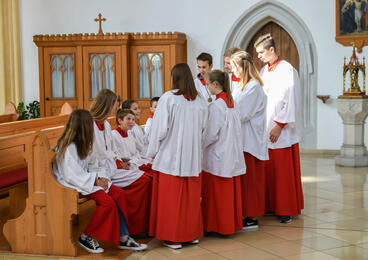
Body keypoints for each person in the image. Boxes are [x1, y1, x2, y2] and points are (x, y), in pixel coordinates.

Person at [53, 109, 147, 253]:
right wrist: (95, 181)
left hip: (88, 179)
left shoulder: (84, 143)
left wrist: (101, 178)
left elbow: (93, 164)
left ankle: (123, 237)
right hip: (73, 183)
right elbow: (71, 174)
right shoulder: (68, 147)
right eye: (89, 126)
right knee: (107, 203)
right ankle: (86, 236)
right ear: (82, 126)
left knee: (120, 194)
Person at [147, 63, 208, 249]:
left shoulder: (169, 98)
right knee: (190, 198)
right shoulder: (200, 101)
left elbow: (160, 130)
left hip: (170, 157)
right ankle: (190, 235)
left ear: (175, 78)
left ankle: (174, 237)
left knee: (172, 199)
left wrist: (151, 152)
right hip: (192, 158)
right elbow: (204, 130)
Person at [255, 34, 304, 223]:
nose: (259, 56)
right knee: (269, 170)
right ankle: (270, 205)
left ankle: (285, 209)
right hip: (266, 126)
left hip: (281, 129)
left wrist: (279, 125)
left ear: (271, 50)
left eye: (261, 52)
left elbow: (291, 99)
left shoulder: (287, 70)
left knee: (282, 172)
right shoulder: (263, 70)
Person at [90, 89, 153, 235]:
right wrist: (115, 164)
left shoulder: (105, 124)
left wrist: (118, 162)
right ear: (106, 105)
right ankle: (134, 228)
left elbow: (110, 151)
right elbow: (94, 155)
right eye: (114, 104)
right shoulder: (91, 126)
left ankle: (142, 225)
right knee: (143, 182)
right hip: (100, 171)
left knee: (146, 180)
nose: (115, 108)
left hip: (110, 167)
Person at [201, 70, 246, 235]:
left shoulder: (217, 105)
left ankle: (217, 226)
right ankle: (229, 224)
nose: (206, 87)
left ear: (215, 84)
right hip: (230, 151)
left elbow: (211, 133)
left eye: (207, 84)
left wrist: (200, 144)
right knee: (228, 192)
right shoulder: (231, 102)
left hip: (218, 153)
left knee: (217, 193)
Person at [230, 51, 269, 229]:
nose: (232, 71)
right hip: (241, 139)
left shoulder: (254, 87)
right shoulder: (240, 86)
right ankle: (243, 212)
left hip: (250, 139)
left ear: (242, 67)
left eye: (234, 66)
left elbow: (242, 113)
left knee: (251, 180)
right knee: (244, 180)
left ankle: (251, 216)